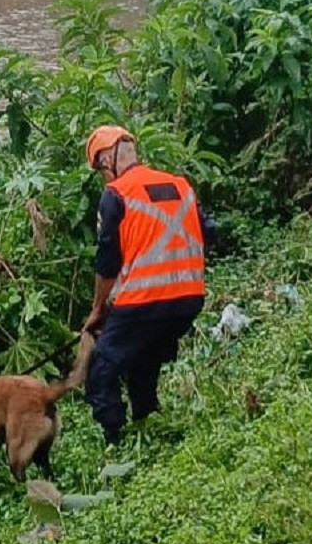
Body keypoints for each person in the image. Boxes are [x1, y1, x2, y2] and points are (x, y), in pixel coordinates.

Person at [80, 125, 215, 446]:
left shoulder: (116, 194)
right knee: (143, 357)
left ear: (107, 160)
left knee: (100, 369)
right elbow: (210, 231)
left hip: (144, 301)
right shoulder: (181, 184)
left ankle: (115, 441)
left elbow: (107, 261)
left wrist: (98, 310)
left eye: (100, 169)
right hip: (189, 300)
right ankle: (146, 420)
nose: (103, 177)